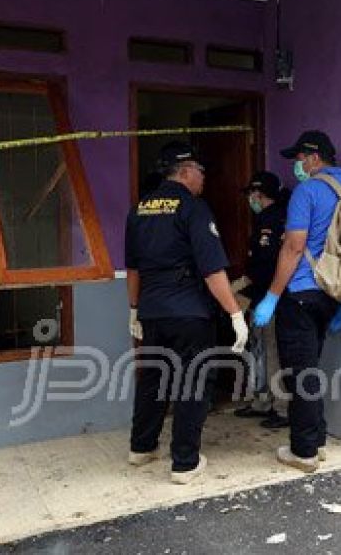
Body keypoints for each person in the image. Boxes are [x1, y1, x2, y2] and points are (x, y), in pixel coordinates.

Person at [125, 141, 249, 485]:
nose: (203, 177)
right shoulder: (193, 208)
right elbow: (212, 270)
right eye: (200, 170)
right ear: (186, 171)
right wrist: (235, 314)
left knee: (152, 379)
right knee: (193, 382)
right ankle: (184, 462)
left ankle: (142, 447)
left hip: (152, 310)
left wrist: (134, 310)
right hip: (189, 312)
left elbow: (133, 269)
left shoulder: (139, 209)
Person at [252, 130, 341, 473]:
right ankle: (315, 438)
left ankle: (303, 451)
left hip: (301, 294)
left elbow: (293, 246)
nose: (297, 166)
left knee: (300, 373)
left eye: (299, 159)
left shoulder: (307, 191)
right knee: (311, 366)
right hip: (332, 294)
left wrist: (271, 297)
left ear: (315, 158)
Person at [232, 171, 290, 428]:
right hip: (262, 296)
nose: (249, 199)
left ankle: (281, 409)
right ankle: (262, 401)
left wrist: (249, 289)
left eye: (250, 194)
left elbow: (266, 266)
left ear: (258, 194)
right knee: (259, 350)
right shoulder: (266, 218)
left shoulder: (272, 221)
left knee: (272, 352)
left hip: (271, 298)